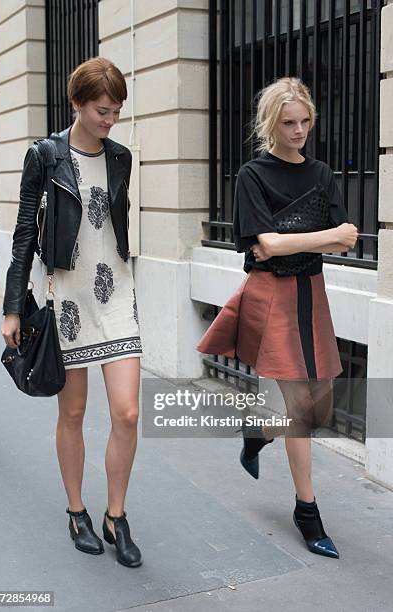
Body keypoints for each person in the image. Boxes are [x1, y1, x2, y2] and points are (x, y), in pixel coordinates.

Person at [197, 77, 358, 559]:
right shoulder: (253, 174)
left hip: (312, 293)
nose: (299, 130)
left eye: (305, 121)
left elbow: (347, 238)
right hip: (272, 295)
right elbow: (263, 245)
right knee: (300, 410)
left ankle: (256, 432)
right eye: (289, 123)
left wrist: (291, 239)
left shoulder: (322, 173)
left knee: (319, 402)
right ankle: (307, 511)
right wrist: (316, 236)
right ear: (271, 123)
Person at [1, 57, 142, 568]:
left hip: (116, 292)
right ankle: (78, 510)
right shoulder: (45, 155)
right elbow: (23, 235)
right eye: (103, 110)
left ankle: (116, 516)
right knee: (75, 411)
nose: (110, 120)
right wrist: (14, 307)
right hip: (67, 295)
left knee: (127, 412)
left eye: (116, 111)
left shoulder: (122, 157)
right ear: (77, 104)